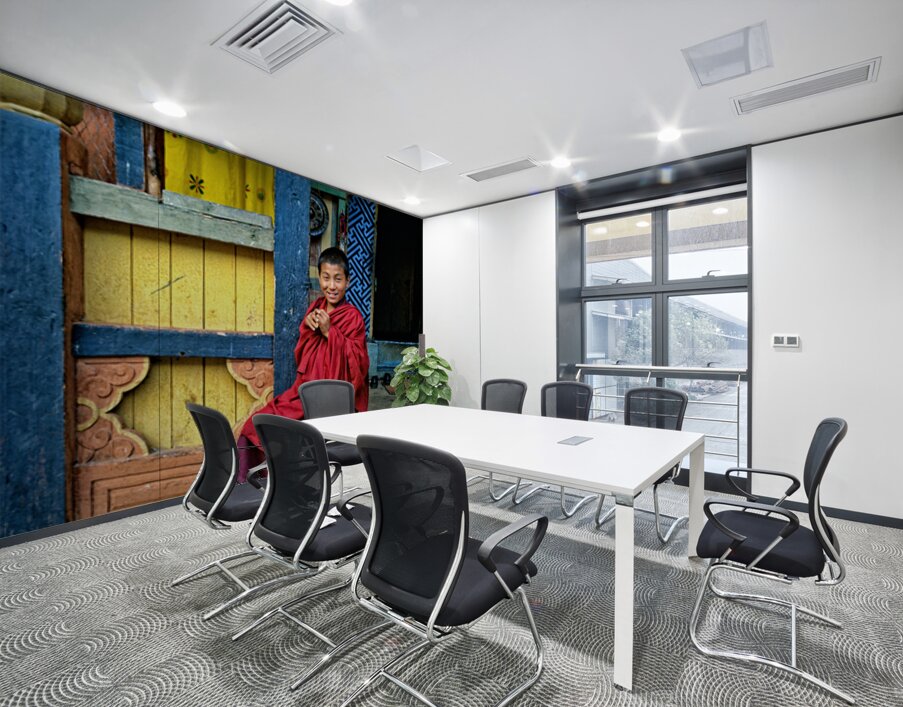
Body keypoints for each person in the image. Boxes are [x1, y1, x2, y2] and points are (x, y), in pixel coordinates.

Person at [237, 247, 369, 481]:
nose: (331, 286)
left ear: (347, 281)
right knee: (256, 424)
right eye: (326, 278)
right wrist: (308, 329)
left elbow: (358, 367)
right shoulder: (315, 308)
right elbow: (303, 356)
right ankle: (259, 482)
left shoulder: (353, 317)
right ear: (319, 277)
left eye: (338, 279)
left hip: (331, 403)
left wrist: (331, 332)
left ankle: (292, 482)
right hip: (304, 392)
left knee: (279, 430)